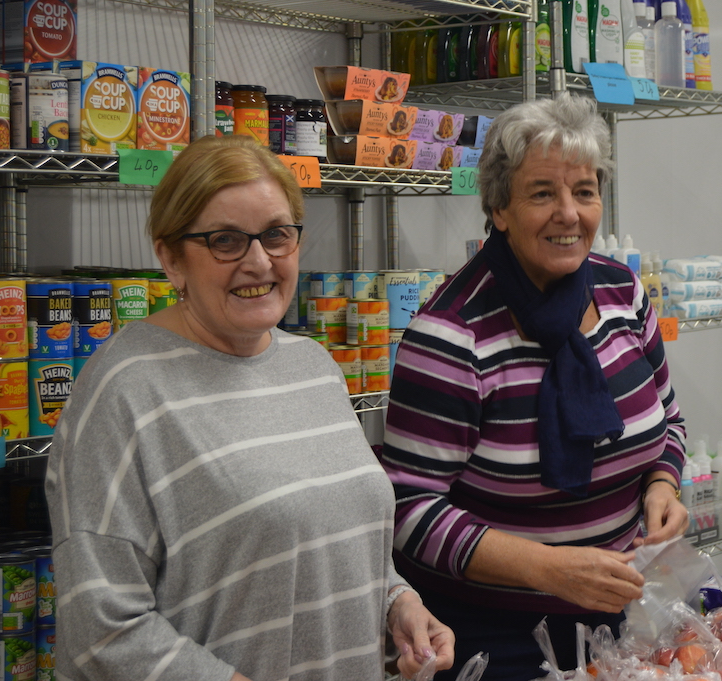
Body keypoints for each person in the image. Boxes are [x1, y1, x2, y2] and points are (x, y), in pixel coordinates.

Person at [45, 135, 455, 681]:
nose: (259, 261)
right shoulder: (124, 391)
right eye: (225, 241)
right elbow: (100, 630)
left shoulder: (313, 366)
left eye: (276, 235)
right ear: (170, 257)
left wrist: (396, 604)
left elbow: (332, 540)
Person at [380, 94, 689, 681]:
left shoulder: (622, 293)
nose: (569, 214)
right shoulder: (452, 334)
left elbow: (669, 421)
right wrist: (547, 569)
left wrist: (662, 483)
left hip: (612, 624)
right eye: (543, 193)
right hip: (487, 640)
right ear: (498, 208)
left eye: (585, 191)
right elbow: (408, 510)